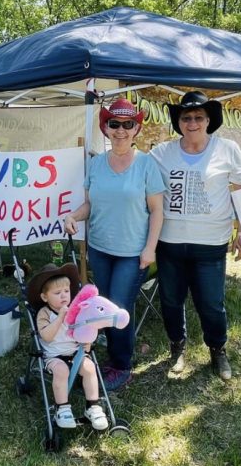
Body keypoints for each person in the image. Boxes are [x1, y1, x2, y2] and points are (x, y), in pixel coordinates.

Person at [64, 98, 166, 390]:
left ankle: (121, 365)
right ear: (105, 128)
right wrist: (73, 215)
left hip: (132, 253)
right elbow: (89, 205)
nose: (120, 130)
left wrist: (150, 248)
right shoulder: (95, 164)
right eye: (114, 124)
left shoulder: (147, 164)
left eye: (127, 124)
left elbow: (157, 210)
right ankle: (107, 352)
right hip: (100, 248)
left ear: (136, 129)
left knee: (119, 306)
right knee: (102, 303)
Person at [149, 91, 241, 380]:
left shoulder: (227, 149)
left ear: (208, 121)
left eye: (198, 117)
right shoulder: (161, 153)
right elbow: (143, 186)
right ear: (178, 122)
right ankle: (177, 348)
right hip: (169, 241)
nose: (192, 123)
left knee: (211, 303)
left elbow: (240, 192)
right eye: (186, 118)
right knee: (170, 299)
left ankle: (218, 350)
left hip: (211, 242)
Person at [28, 263, 109, 430]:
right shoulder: (44, 313)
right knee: (61, 371)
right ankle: (62, 408)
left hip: (75, 352)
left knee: (90, 368)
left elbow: (85, 330)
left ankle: (93, 406)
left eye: (67, 291)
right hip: (53, 356)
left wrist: (87, 342)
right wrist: (60, 318)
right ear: (45, 297)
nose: (63, 296)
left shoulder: (77, 311)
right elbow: (47, 336)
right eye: (57, 293)